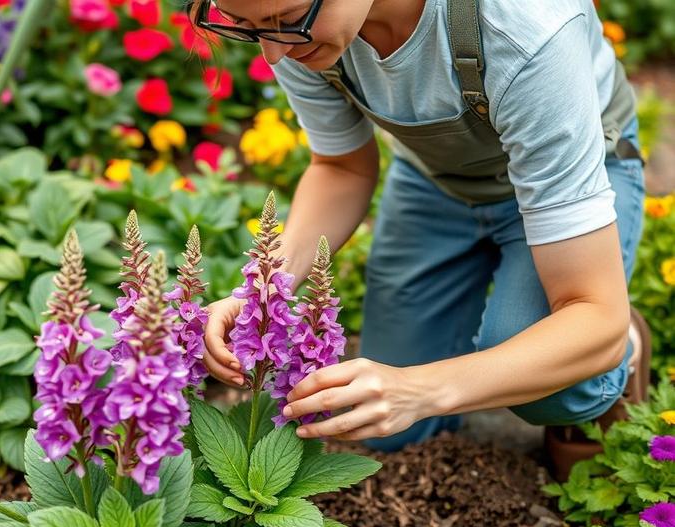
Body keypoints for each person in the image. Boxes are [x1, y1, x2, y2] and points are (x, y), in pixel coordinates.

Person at [193, 0, 651, 478]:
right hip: (437, 182)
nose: (272, 53)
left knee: (555, 376)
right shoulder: (304, 32)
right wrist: (265, 290)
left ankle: (625, 350)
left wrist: (420, 389)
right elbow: (341, 167)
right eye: (245, 27)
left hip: (578, 177)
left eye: (286, 21)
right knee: (387, 429)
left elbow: (592, 315)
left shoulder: (526, 31)